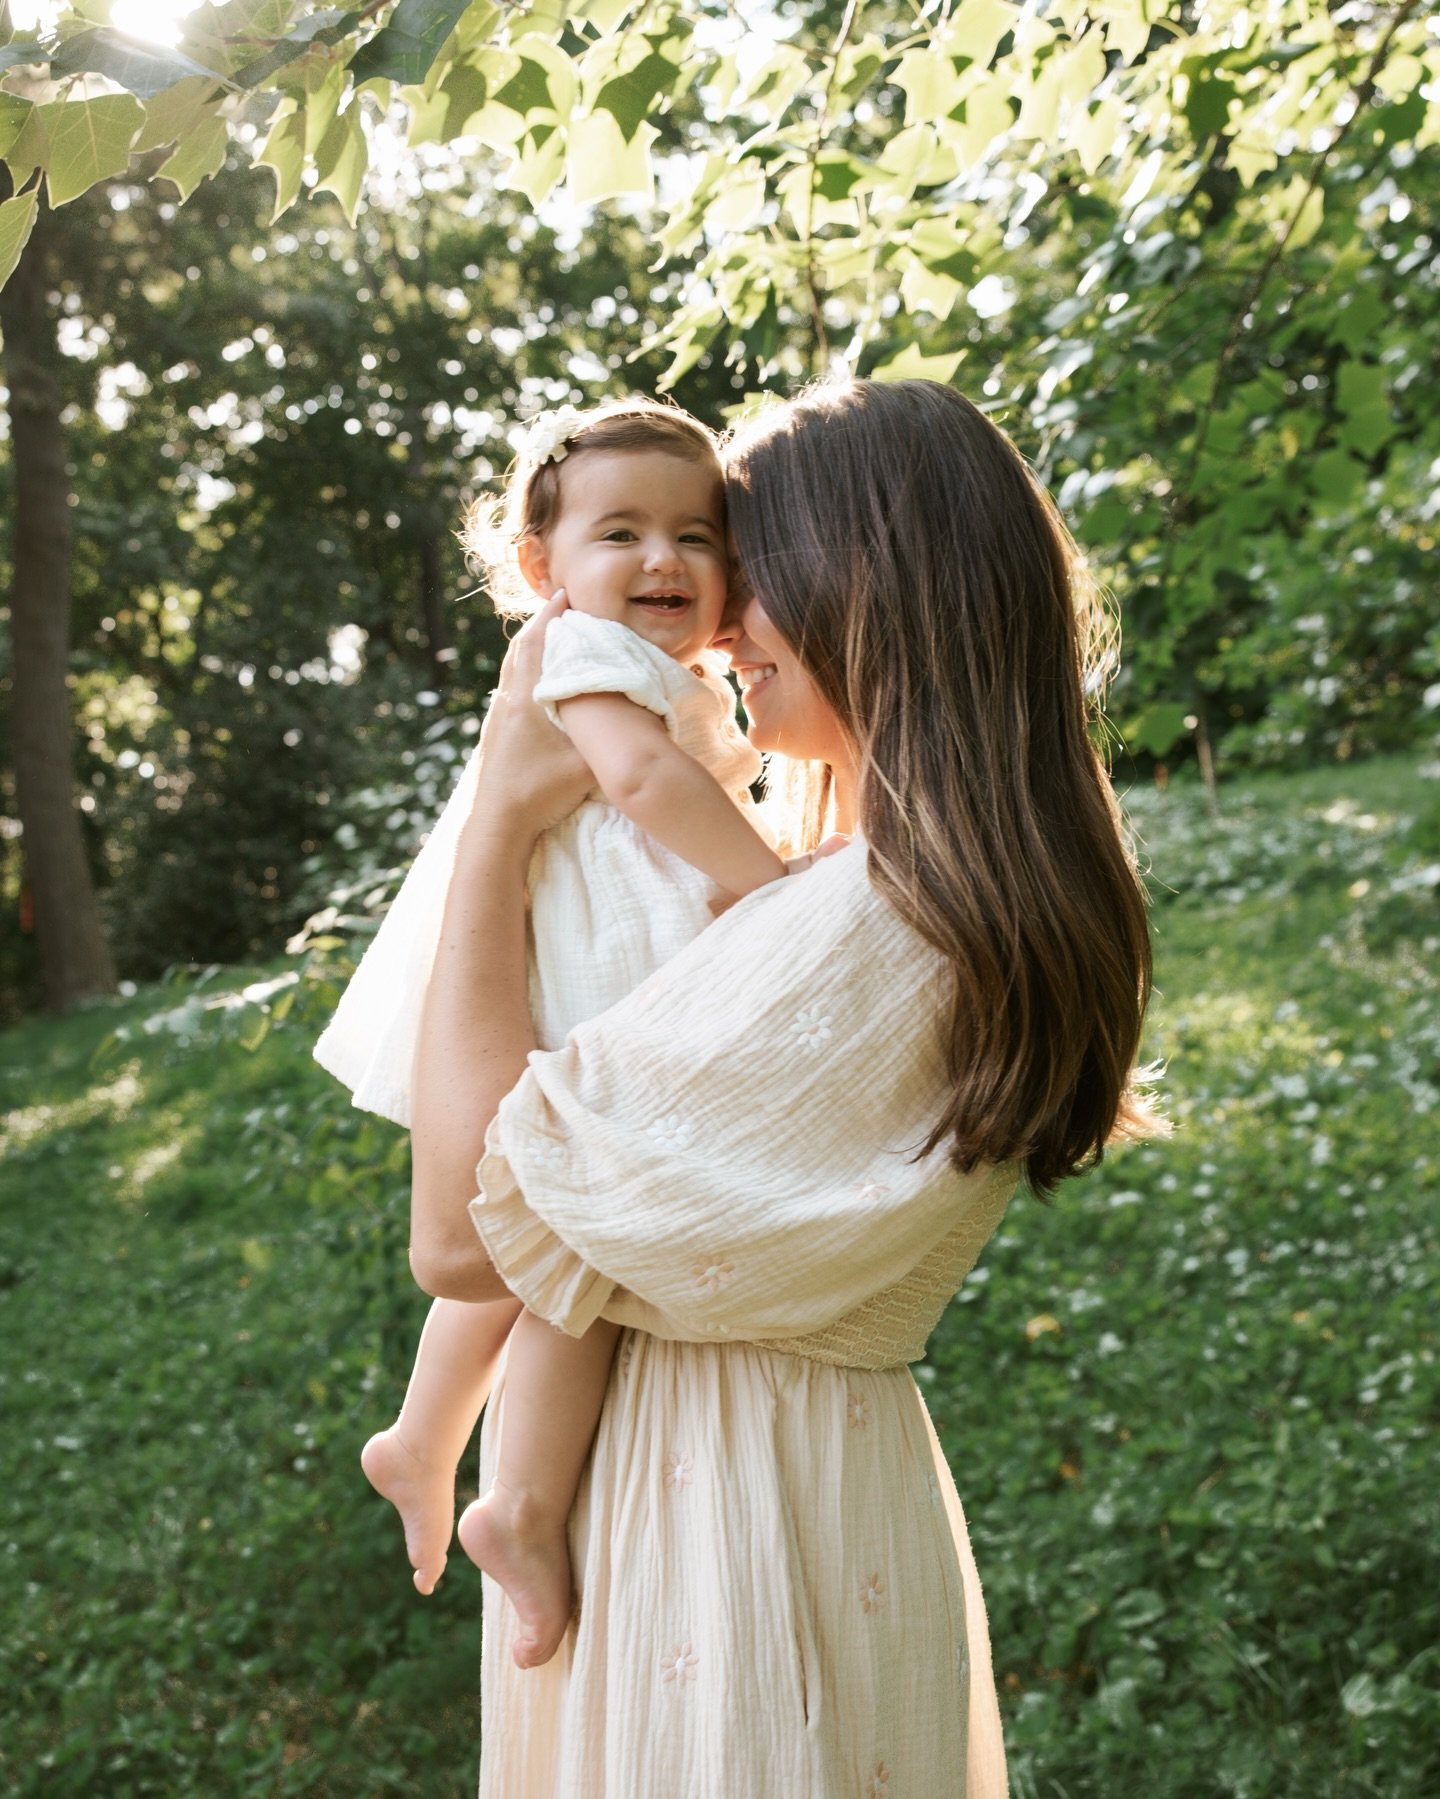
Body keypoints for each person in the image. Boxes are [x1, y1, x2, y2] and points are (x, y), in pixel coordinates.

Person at [324, 378, 1159, 1797]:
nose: (716, 624)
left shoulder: (869, 917)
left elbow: (465, 1237)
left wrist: (497, 824)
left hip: (715, 1515)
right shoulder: (933, 888)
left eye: (746, 565)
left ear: (867, 584)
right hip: (808, 1482)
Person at [317, 399, 801, 1667]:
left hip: (605, 977)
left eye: (698, 536)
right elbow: (642, 786)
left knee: (536, 1250)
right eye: (623, 532)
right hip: (595, 985)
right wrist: (774, 884)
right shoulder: (585, 656)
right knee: (571, 1264)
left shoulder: (655, 669)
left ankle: (424, 1436)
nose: (665, 563)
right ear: (544, 566)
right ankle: (518, 1506)